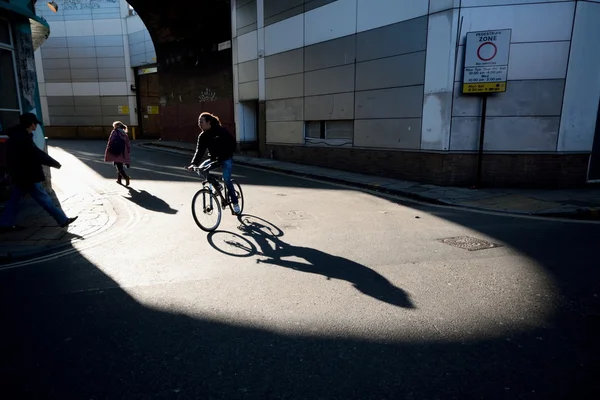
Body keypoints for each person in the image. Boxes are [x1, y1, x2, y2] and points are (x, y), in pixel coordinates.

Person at [0, 113, 78, 232]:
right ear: (31, 124)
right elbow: (36, 154)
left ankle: (5, 223)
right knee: (44, 199)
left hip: (21, 174)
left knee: (15, 200)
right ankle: (62, 220)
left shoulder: (18, 136)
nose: (36, 126)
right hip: (28, 175)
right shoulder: (22, 138)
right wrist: (55, 163)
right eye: (35, 123)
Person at [186, 112, 240, 214]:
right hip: (213, 158)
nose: (199, 124)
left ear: (208, 122)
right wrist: (194, 163)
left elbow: (233, 143)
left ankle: (235, 203)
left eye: (201, 122)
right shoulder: (202, 136)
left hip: (226, 158)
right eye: (198, 122)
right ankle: (217, 185)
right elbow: (199, 151)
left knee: (227, 179)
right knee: (200, 170)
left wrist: (225, 154)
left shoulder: (221, 131)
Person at [104, 121, 131, 186]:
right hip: (123, 150)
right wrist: (128, 151)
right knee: (120, 164)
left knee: (118, 166)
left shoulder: (115, 131)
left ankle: (126, 177)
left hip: (116, 150)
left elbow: (111, 140)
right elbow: (128, 143)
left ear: (116, 126)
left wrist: (108, 148)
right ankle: (119, 180)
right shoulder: (124, 133)